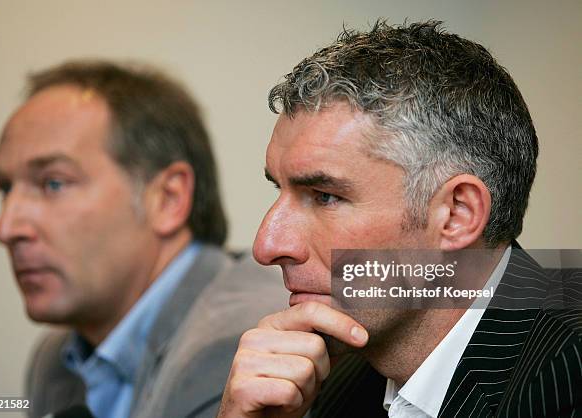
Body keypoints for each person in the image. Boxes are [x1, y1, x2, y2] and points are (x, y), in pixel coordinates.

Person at [217, 20, 581, 417]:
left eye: (325, 197)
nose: (267, 245)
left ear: (457, 214)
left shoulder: (566, 376)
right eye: (279, 189)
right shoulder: (339, 381)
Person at [0, 60, 287, 418]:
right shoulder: (55, 360)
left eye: (53, 183)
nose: (6, 228)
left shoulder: (241, 342)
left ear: (168, 199)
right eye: (5, 188)